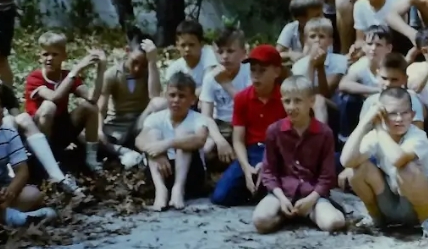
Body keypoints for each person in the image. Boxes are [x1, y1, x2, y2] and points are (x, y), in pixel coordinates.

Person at [341, 86, 428, 241]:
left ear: (412, 115)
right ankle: (377, 219)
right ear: (381, 115)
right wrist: (365, 123)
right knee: (355, 170)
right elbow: (346, 161)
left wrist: (380, 129)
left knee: (406, 169)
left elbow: (397, 159)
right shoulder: (376, 135)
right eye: (392, 113)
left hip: (422, 203)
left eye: (404, 113)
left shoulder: (417, 136)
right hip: (391, 201)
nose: (399, 119)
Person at [250, 75, 344, 234]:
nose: (291, 107)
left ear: (311, 102)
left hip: (312, 193)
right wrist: (281, 198)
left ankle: (310, 213)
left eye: (298, 101)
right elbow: (269, 172)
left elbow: (327, 175)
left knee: (334, 223)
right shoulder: (274, 131)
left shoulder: (324, 133)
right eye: (287, 101)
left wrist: (312, 199)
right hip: (283, 192)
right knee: (260, 221)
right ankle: (287, 215)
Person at [210, 44, 287, 207]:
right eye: (253, 70)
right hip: (252, 151)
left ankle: (266, 191)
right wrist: (245, 168)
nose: (256, 76)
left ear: (276, 72)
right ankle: (255, 188)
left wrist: (268, 162)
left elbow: (291, 138)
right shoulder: (242, 98)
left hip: (279, 152)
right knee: (221, 196)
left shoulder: (286, 98)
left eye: (262, 70)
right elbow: (238, 139)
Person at [0, 82, 55, 227]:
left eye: (1, 106)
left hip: (1, 185)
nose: (1, 111)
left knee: (33, 194)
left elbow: (22, 170)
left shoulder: (8, 133)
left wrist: (10, 192)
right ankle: (15, 218)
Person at [24, 32, 106, 173]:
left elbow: (92, 98)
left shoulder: (67, 76)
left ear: (64, 56)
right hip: (38, 133)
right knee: (49, 106)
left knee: (90, 107)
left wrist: (101, 68)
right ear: (39, 56)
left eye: (55, 55)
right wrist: (76, 69)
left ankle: (91, 158)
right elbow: (55, 97)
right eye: (45, 54)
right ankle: (45, 161)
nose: (49, 59)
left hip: (61, 131)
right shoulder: (35, 77)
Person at [135, 72, 210, 212]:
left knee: (184, 135)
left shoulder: (198, 119)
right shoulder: (156, 118)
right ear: (166, 96)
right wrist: (157, 152)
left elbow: (200, 139)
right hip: (161, 171)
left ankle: (178, 190)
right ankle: (161, 192)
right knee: (153, 134)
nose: (176, 100)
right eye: (172, 95)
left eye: (182, 96)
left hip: (190, 175)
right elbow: (139, 140)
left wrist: (167, 144)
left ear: (192, 100)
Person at [98, 40, 162, 162]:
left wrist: (152, 62)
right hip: (116, 127)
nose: (138, 68)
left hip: (140, 124)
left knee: (159, 104)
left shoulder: (149, 72)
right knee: (84, 135)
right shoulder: (112, 74)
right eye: (135, 62)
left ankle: (139, 150)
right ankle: (121, 151)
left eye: (143, 65)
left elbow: (155, 96)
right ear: (127, 51)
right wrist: (99, 130)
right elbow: (101, 108)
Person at [166, 18, 220, 88]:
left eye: (191, 45)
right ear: (177, 45)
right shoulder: (175, 68)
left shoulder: (210, 58)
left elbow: (209, 89)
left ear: (201, 44)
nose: (187, 49)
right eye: (183, 45)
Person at [275, 0, 324, 64]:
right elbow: (276, 54)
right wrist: (290, 55)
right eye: (317, 16)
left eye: (322, 14)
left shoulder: (325, 29)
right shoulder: (291, 28)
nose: (322, 18)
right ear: (301, 19)